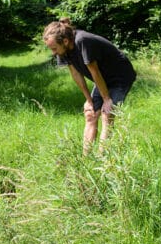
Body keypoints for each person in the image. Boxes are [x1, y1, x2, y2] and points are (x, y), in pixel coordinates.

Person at [43, 18, 136, 154]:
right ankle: (86, 160)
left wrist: (107, 99)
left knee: (107, 113)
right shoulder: (62, 50)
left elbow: (94, 71)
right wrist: (89, 100)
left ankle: (103, 158)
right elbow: (76, 74)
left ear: (65, 41)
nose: (53, 52)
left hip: (120, 76)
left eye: (54, 48)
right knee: (90, 114)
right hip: (103, 78)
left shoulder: (83, 41)